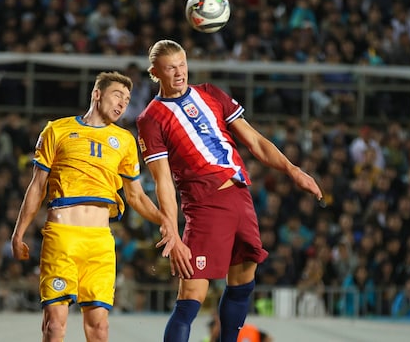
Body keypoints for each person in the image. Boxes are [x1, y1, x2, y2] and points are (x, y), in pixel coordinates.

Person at [136, 39, 323, 342]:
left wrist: (293, 169)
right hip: (205, 204)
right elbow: (162, 181)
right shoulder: (151, 119)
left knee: (243, 280)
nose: (180, 72)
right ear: (156, 71)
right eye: (171, 68)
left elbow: (256, 141)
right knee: (192, 295)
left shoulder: (210, 93)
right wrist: (170, 227)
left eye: (182, 64)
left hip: (240, 195)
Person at [11, 71, 174, 342]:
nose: (123, 103)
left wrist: (164, 220)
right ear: (96, 94)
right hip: (62, 237)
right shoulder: (57, 130)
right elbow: (37, 187)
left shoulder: (124, 141)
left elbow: (135, 196)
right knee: (54, 326)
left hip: (99, 242)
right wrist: (19, 233)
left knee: (99, 328)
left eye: (127, 99)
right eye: (117, 95)